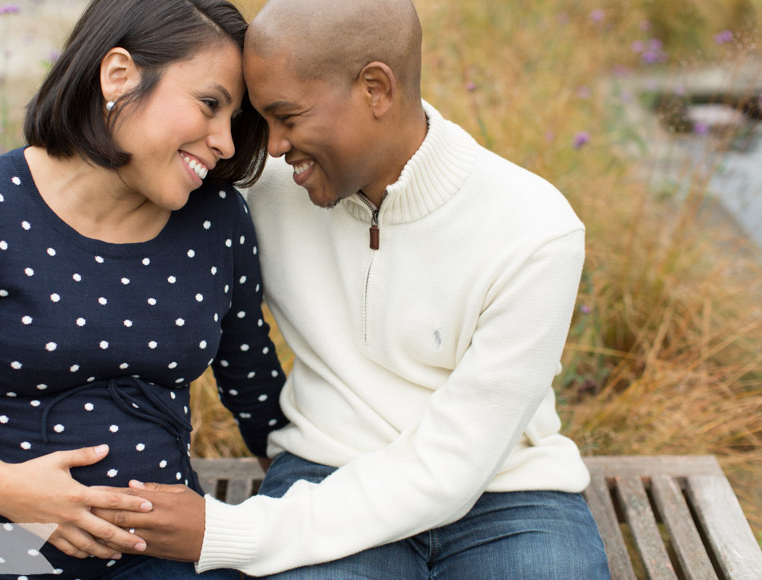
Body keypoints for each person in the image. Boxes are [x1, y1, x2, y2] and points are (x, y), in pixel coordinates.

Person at [94, 0, 611, 578]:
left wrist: (229, 532)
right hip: (324, 469)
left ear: (375, 89)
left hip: (508, 492)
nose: (271, 146)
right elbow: (115, 189)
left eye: (287, 117)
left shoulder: (535, 229)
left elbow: (454, 466)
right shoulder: (262, 189)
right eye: (262, 120)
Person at [0, 0, 288, 578]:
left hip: (144, 556)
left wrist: (313, 516)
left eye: (235, 121)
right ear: (119, 75)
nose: (226, 142)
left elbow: (256, 393)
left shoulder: (216, 222)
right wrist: (9, 491)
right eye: (210, 104)